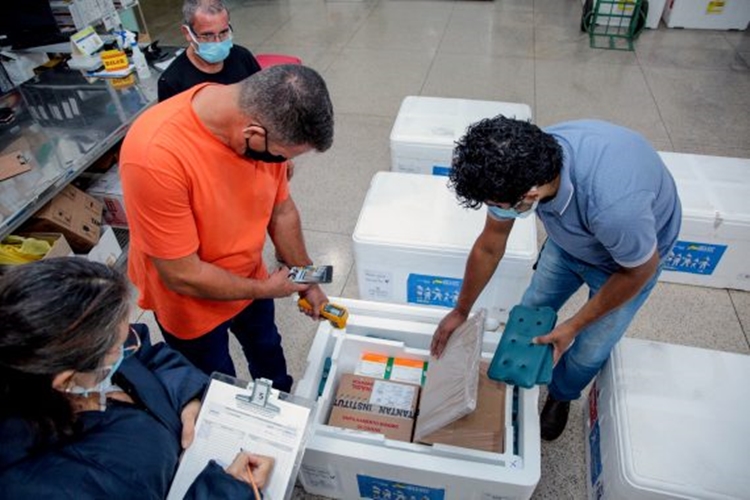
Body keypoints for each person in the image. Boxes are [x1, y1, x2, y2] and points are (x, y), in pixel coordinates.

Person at [430, 117, 681, 441]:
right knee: (531, 311)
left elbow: (639, 270)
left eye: (497, 205)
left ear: (530, 194)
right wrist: (460, 310)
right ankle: (520, 385)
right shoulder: (521, 160)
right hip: (569, 243)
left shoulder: (615, 209)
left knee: (589, 349)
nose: (495, 211)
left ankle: (561, 396)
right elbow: (490, 245)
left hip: (628, 264)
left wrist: (572, 326)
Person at [120, 64, 334, 394]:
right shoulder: (155, 155)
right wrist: (265, 289)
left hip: (251, 275)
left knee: (267, 349)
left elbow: (283, 212)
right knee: (216, 385)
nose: (282, 164)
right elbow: (182, 274)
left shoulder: (262, 126)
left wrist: (308, 280)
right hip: (190, 303)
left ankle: (280, 403)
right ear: (253, 134)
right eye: (280, 155)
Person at [0, 258, 274, 499]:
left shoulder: (91, 349)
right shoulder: (54, 486)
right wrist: (229, 489)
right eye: (118, 346)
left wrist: (188, 397)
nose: (131, 343)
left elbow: (148, 356)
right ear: (66, 381)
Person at [157, 0, 261, 103]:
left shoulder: (243, 57)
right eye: (207, 35)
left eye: (224, 32)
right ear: (188, 33)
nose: (218, 42)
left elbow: (261, 99)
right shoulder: (172, 82)